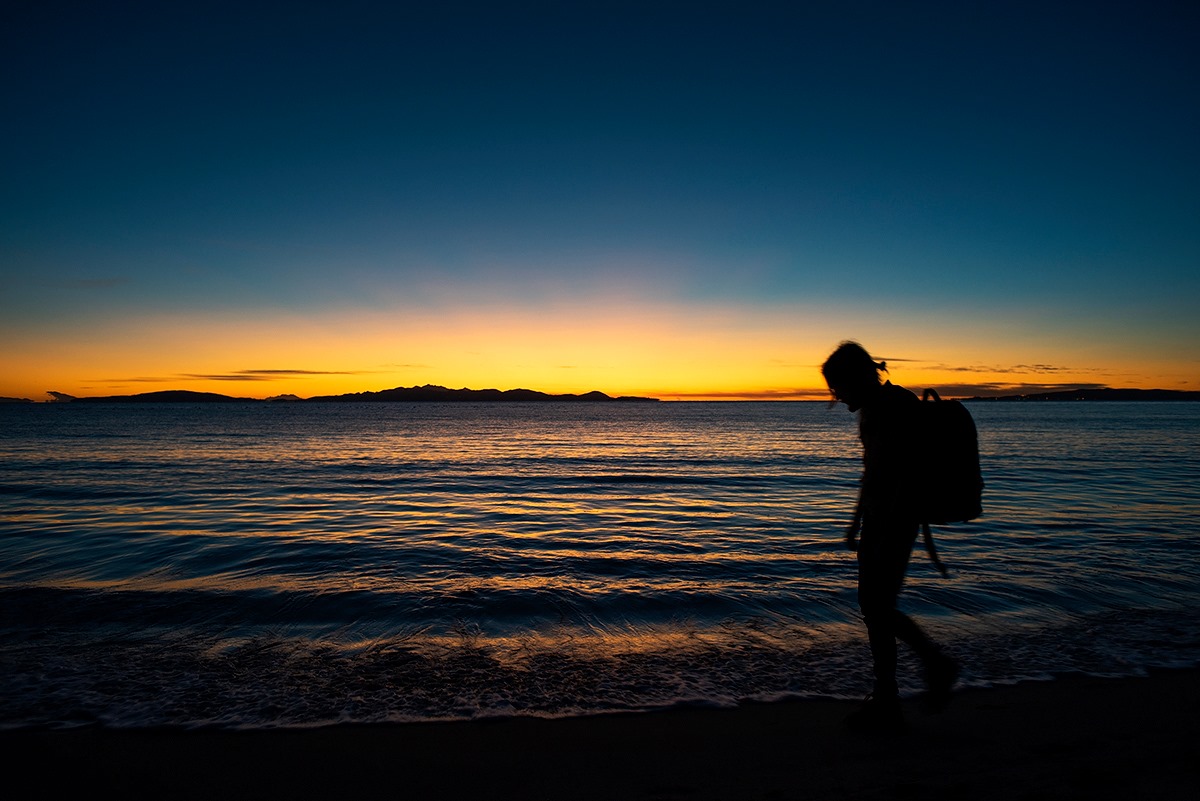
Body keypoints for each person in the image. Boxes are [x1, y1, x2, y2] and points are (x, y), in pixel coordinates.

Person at [821, 341, 959, 733]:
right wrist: (856, 524)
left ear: (856, 378)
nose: (836, 395)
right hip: (879, 521)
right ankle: (887, 700)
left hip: (897, 520)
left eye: (838, 385)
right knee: (874, 608)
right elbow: (874, 475)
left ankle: (934, 665)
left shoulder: (894, 407)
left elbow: (906, 474)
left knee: (878, 607)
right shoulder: (873, 411)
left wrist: (886, 529)